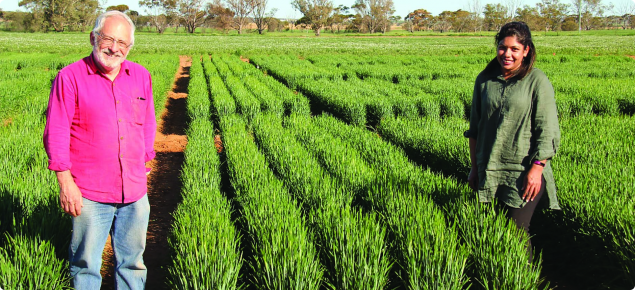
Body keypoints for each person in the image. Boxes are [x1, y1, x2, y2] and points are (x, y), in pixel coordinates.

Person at [43, 11, 156, 289]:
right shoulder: (70, 77)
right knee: (86, 267)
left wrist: (145, 161)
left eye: (122, 43)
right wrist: (65, 182)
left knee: (133, 263)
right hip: (90, 193)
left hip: (134, 191)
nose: (114, 48)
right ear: (93, 37)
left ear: (130, 46)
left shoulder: (140, 76)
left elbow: (148, 123)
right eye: (108, 38)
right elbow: (55, 131)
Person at [464, 21, 561, 262]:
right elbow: (475, 129)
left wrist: (537, 168)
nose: (507, 54)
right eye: (502, 47)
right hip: (490, 168)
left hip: (523, 171)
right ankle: (496, 275)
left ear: (526, 50)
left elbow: (546, 128)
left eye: (514, 49)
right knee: (489, 230)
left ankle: (523, 280)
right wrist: (474, 168)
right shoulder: (484, 80)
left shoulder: (537, 81)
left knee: (518, 231)